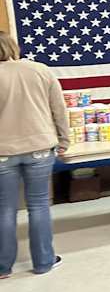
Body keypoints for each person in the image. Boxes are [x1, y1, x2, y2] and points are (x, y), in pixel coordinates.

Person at [0, 31, 69, 278]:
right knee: (39, 205)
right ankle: (43, 262)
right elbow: (58, 109)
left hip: (3, 153)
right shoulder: (39, 70)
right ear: (13, 46)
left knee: (4, 210)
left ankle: (2, 267)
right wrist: (64, 140)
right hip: (40, 148)